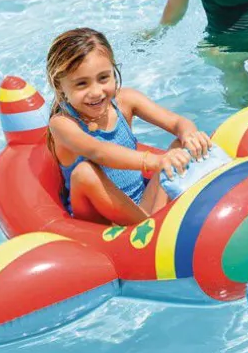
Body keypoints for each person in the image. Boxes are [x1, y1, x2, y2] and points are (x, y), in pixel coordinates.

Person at [46, 28, 212, 226]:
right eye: (82, 84)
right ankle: (153, 231)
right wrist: (154, 161)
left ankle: (153, 225)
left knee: (179, 145)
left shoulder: (125, 100)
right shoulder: (62, 124)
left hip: (141, 208)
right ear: (59, 86)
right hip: (101, 222)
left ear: (113, 72)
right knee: (84, 172)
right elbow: (99, 151)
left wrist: (190, 135)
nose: (96, 92)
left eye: (103, 78)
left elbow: (177, 123)